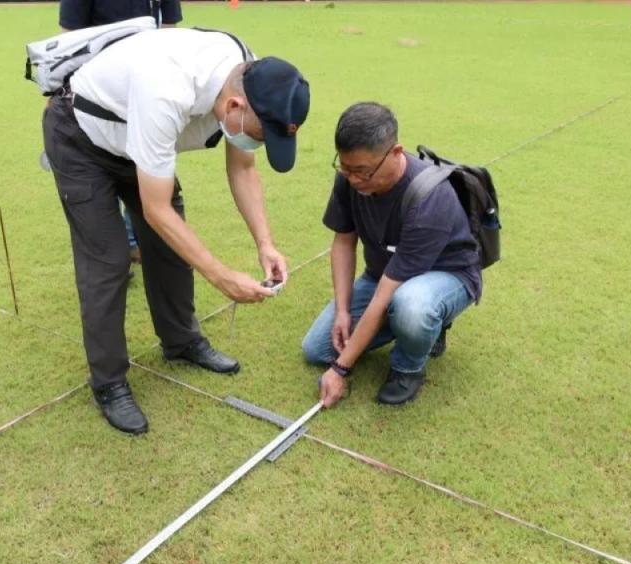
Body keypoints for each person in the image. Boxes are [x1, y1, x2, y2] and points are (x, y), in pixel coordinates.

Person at [42, 28, 309, 435]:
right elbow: (156, 210)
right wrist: (221, 276)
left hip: (138, 141)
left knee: (168, 247)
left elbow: (243, 167)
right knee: (109, 259)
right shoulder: (166, 89)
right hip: (83, 140)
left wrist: (265, 244)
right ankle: (110, 382)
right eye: (258, 135)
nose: (255, 143)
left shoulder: (251, 77)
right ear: (235, 107)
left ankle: (181, 342)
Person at [302, 102, 482, 408]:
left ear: (396, 152)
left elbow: (386, 296)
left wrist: (341, 369)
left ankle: (408, 367)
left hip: (447, 276)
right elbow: (344, 242)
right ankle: (421, 329)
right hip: (384, 273)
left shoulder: (429, 198)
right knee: (316, 349)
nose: (354, 179)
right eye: (345, 168)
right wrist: (343, 312)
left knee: (411, 307)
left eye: (363, 171)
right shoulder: (349, 177)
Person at [58, 0, 183, 267]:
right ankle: (116, 251)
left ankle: (134, 240)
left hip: (148, 96)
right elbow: (69, 39)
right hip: (96, 96)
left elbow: (170, 33)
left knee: (147, 170)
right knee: (101, 172)